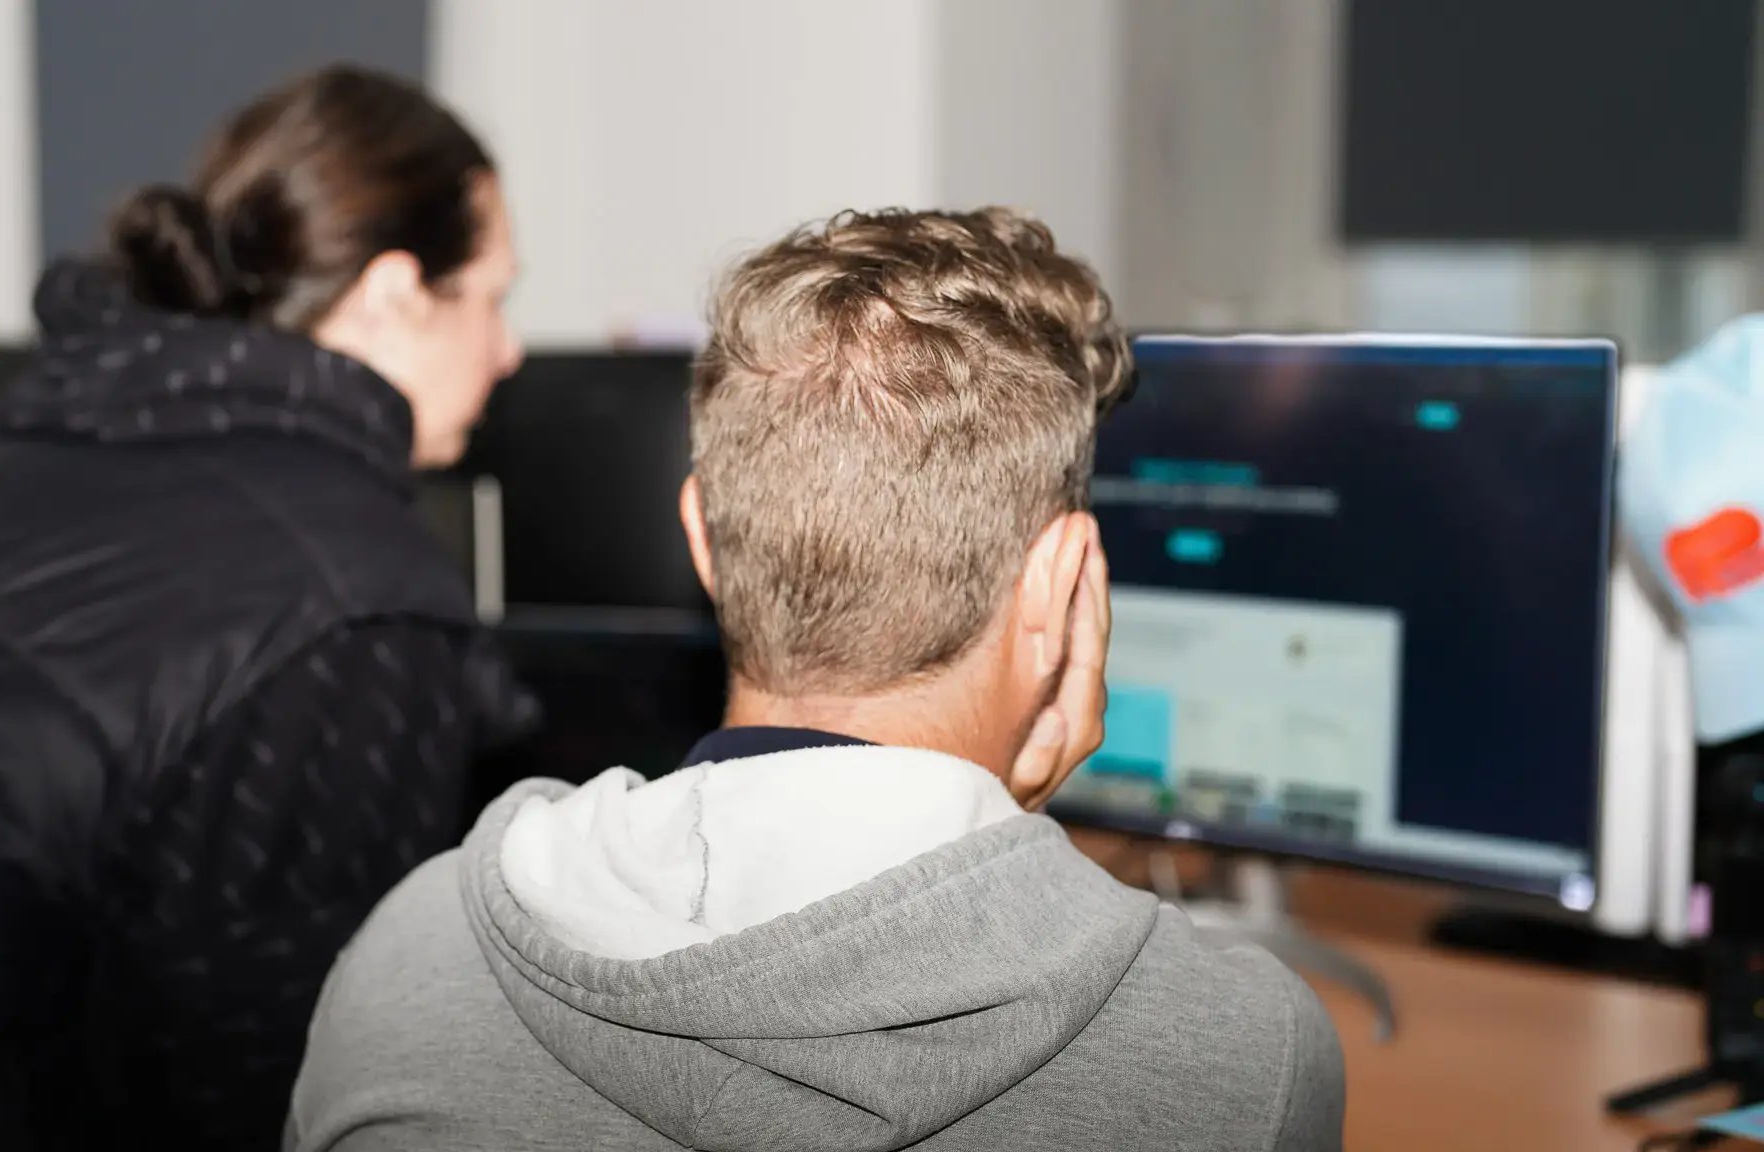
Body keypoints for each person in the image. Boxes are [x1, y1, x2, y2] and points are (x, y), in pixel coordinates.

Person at [287, 208, 1347, 1151]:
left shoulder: (411, 962)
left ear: (703, 538)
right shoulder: (1235, 1061)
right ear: (1062, 586)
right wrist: (997, 854)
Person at [0, 65, 529, 1150]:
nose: (508, 350)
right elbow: (253, 1069)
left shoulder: (7, 443)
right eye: (490, 297)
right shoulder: (359, 597)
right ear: (389, 294)